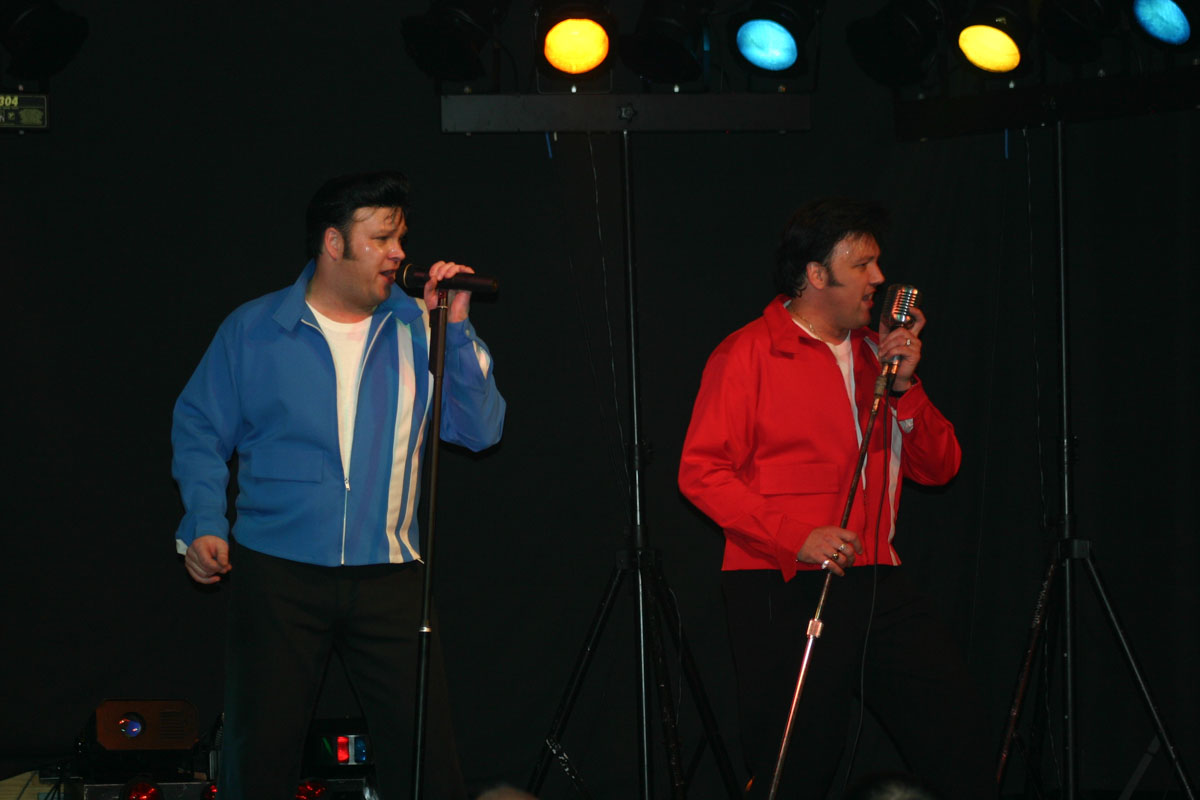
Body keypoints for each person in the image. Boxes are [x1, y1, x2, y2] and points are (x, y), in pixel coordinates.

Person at [171, 171, 505, 800]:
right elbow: (198, 428)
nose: (399, 253)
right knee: (259, 757)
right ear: (333, 243)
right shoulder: (255, 329)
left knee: (426, 760)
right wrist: (205, 521)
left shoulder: (420, 327)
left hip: (391, 575)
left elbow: (481, 431)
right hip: (279, 576)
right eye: (381, 238)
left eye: (401, 237)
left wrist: (455, 329)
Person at [677, 198, 994, 799]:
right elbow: (701, 472)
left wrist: (905, 387)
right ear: (816, 274)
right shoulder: (748, 352)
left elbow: (941, 467)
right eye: (862, 264)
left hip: (878, 579)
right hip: (780, 580)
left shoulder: (880, 355)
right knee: (796, 762)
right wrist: (796, 536)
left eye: (877, 263)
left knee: (959, 738)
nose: (879, 278)